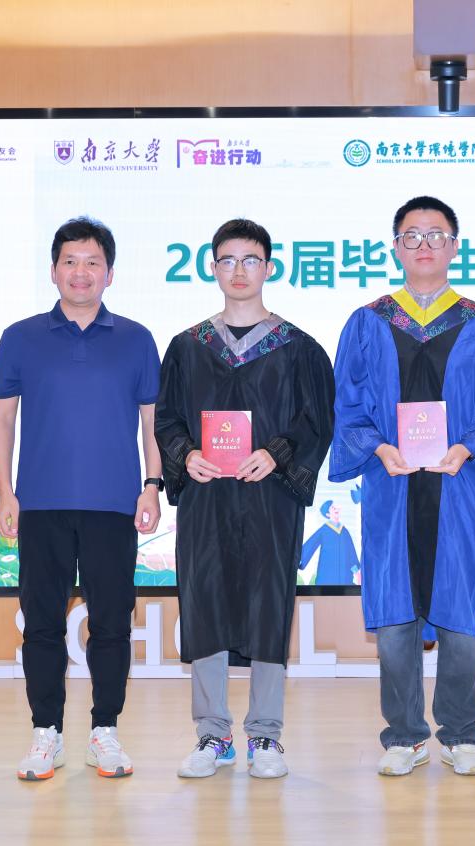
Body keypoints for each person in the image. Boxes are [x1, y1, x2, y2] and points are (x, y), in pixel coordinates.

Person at [330, 196, 475, 777]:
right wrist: (378, 447)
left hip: (458, 486)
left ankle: (462, 734)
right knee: (394, 618)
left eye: (436, 234)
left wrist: (467, 447)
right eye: (411, 235)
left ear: (454, 247)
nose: (423, 245)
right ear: (395, 247)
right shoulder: (368, 323)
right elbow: (347, 404)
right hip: (391, 488)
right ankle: (405, 736)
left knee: (460, 615)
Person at [155, 219, 334, 780]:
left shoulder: (298, 348)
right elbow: (166, 419)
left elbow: (317, 421)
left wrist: (277, 454)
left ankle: (265, 735)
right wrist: (185, 454)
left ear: (269, 267)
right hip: (207, 497)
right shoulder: (187, 348)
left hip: (269, 498)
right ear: (212, 267)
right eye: (228, 260)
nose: (239, 270)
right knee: (204, 602)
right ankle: (212, 734)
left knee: (268, 604)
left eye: (250, 260)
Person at [0, 216, 162, 781]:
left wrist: (153, 485)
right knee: (42, 623)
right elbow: (2, 419)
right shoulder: (21, 337)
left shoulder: (136, 339)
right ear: (53, 270)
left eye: (92, 262)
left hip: (114, 505)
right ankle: (47, 733)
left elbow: (152, 421)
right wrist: (5, 491)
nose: (80, 272)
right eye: (70, 261)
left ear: (110, 273)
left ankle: (104, 731)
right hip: (41, 504)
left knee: (111, 622)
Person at [300, 500, 361, 585]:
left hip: (344, 575)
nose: (336, 509)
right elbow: (311, 544)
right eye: (333, 508)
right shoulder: (324, 530)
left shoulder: (344, 531)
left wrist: (356, 572)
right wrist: (299, 559)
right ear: (328, 514)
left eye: (336, 507)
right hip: (327, 574)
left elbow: (351, 553)